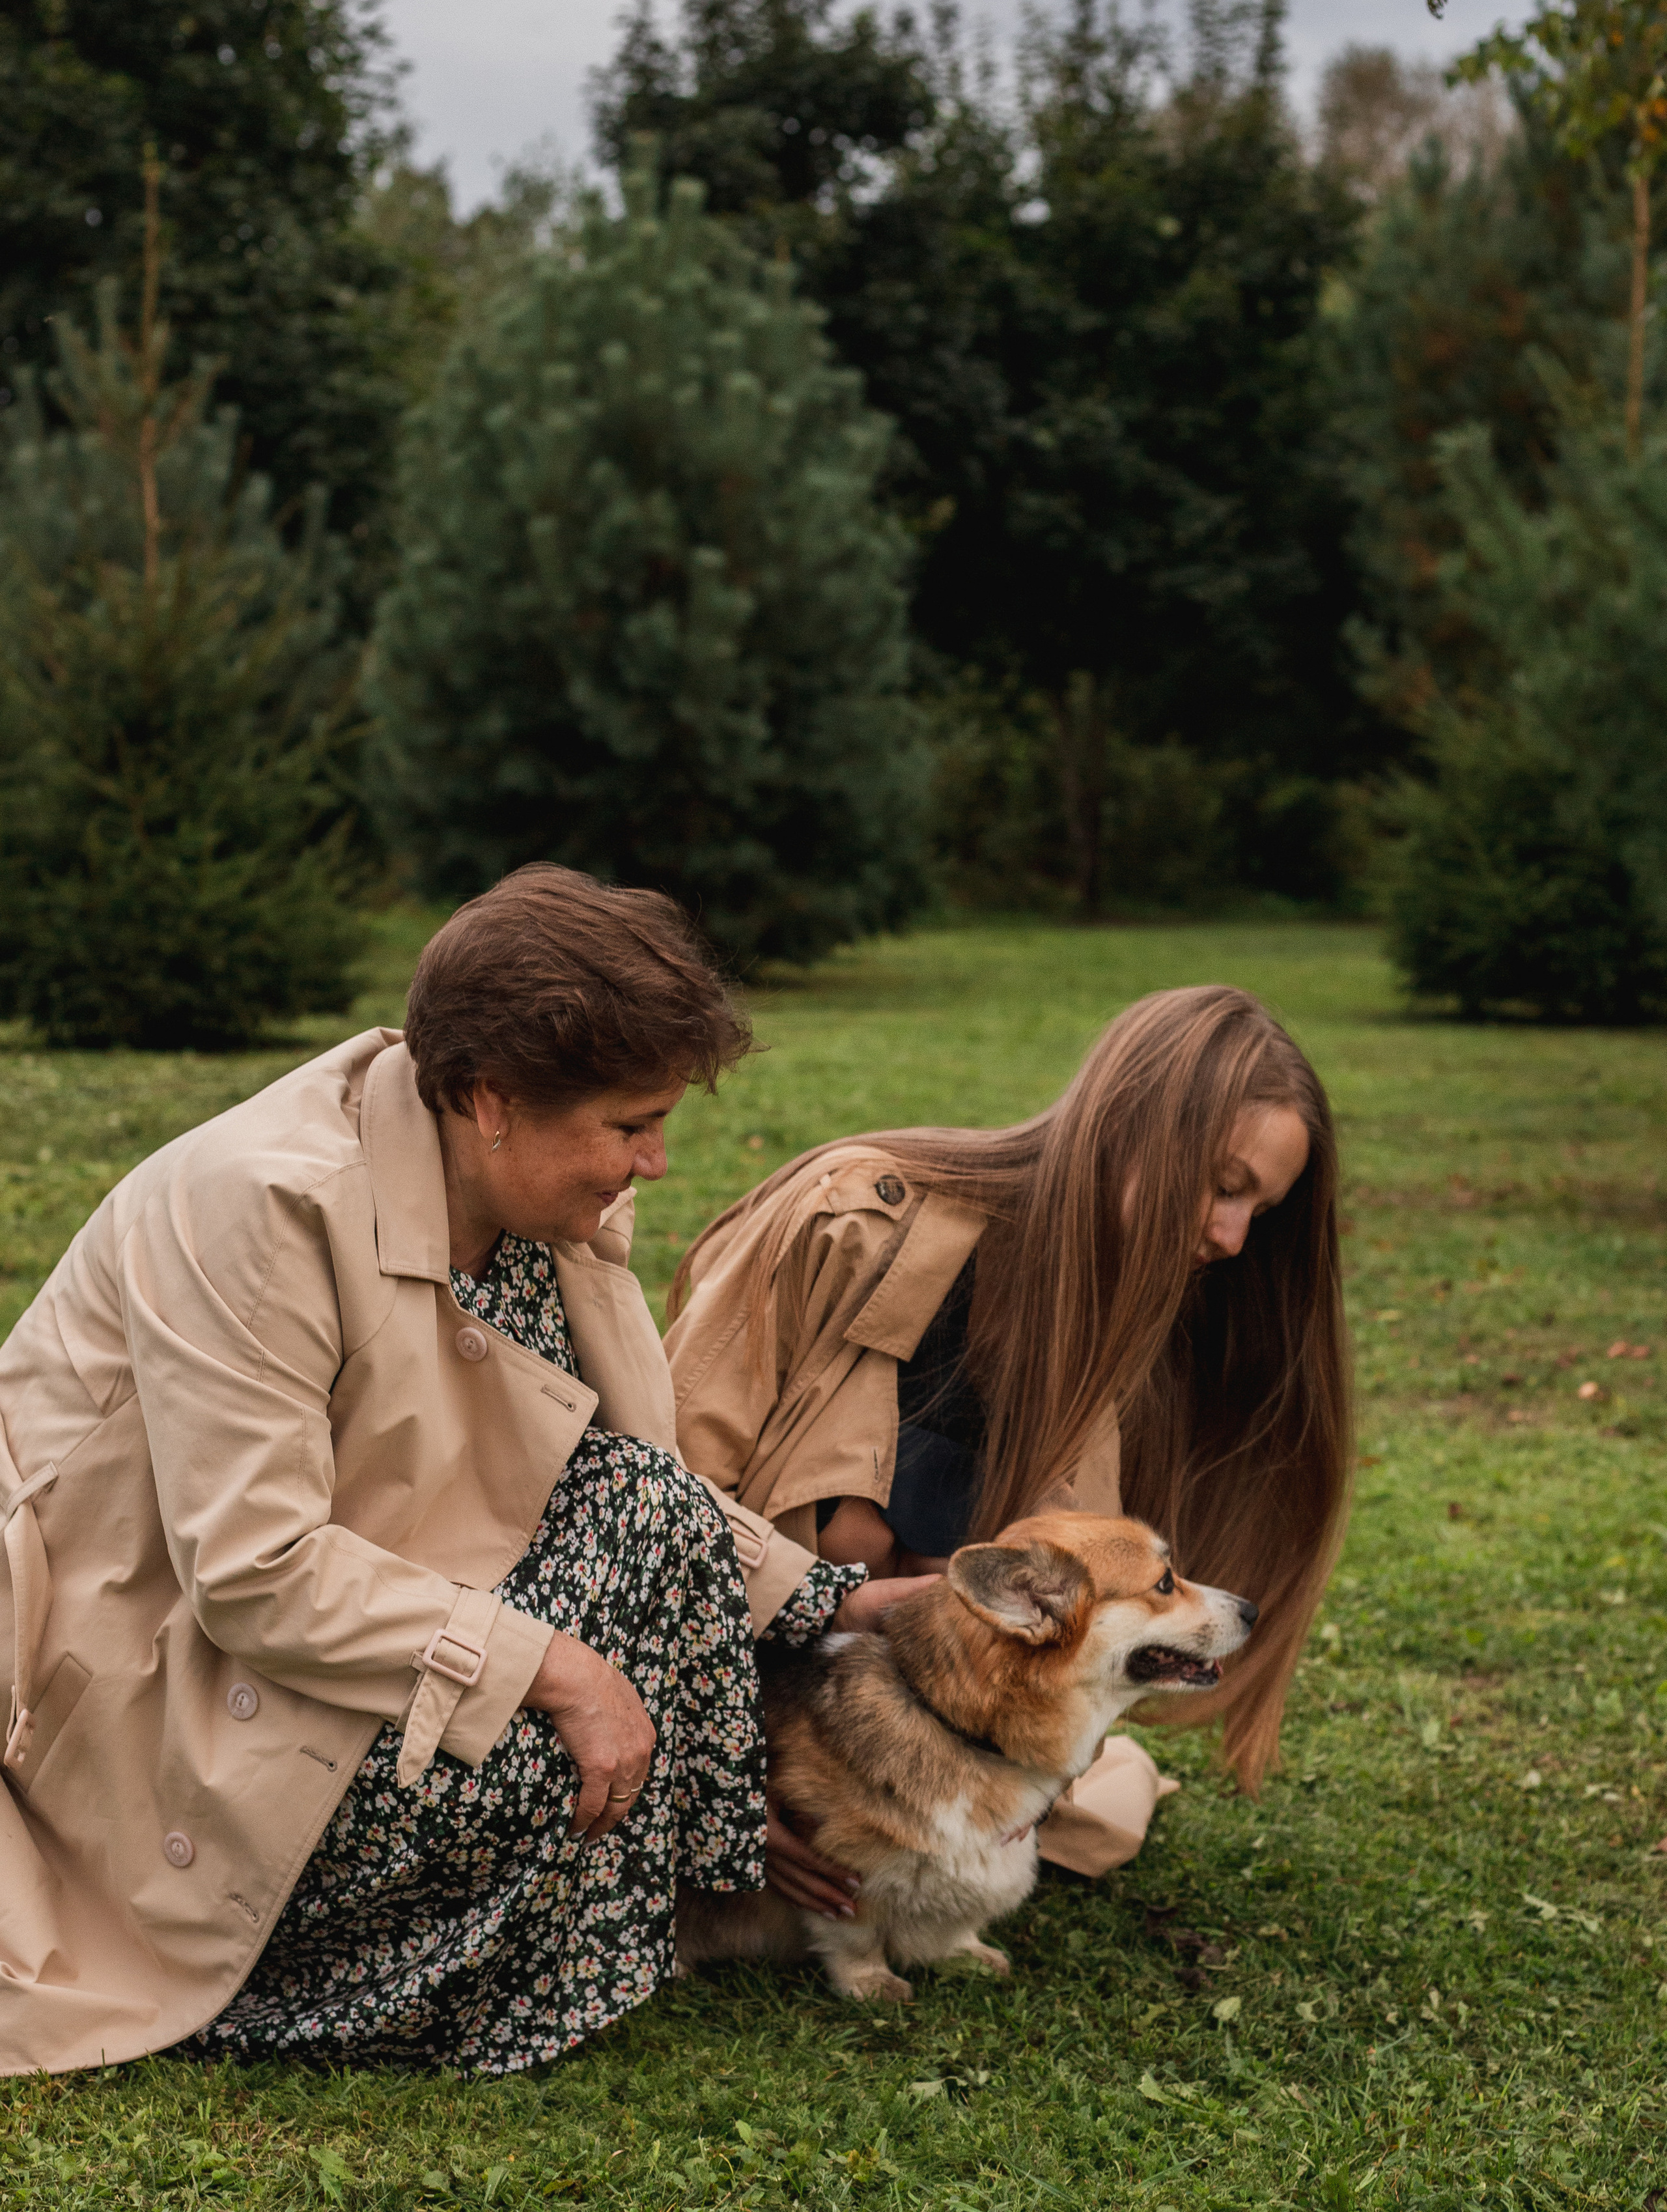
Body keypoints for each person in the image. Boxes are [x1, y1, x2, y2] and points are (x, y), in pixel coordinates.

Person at [0, 866, 907, 2079]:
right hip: (151, 1675)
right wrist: (556, 1670)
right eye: (631, 1123)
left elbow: (612, 1480)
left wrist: (829, 1603)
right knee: (529, 1771)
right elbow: (254, 1571)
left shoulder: (527, 1199)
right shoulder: (257, 1205)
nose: (653, 1162)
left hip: (367, 1595)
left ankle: (678, 1870)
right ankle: (291, 1992)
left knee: (643, 1538)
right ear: (489, 1096)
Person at [667, 984, 1352, 1895]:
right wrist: (709, 1790)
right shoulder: (852, 1214)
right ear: (1127, 1123)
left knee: (1087, 1831)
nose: (1231, 1237)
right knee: (854, 1535)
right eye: (1223, 1186)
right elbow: (649, 1499)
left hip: (900, 1795)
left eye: (1258, 1215)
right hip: (731, 1716)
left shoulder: (1122, 1347)